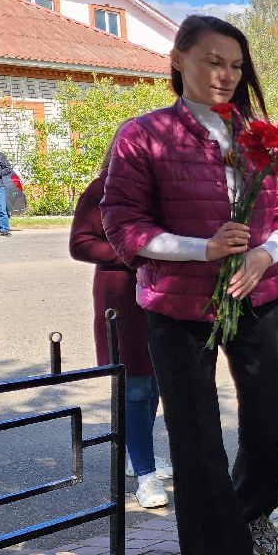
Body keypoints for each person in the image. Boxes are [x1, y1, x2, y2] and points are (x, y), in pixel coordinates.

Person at [101, 14, 278, 555]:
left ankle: (247, 511)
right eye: (213, 60)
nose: (226, 74)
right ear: (178, 59)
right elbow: (122, 226)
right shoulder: (143, 136)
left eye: (237, 65)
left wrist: (265, 251)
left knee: (271, 422)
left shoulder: (261, 135)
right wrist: (202, 248)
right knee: (195, 441)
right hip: (178, 305)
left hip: (259, 294)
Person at [70, 141, 168, 510]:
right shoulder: (101, 190)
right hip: (121, 296)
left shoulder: (163, 192)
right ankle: (145, 475)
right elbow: (80, 244)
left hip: (161, 292)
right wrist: (133, 253)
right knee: (135, 385)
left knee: (155, 379)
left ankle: (136, 452)